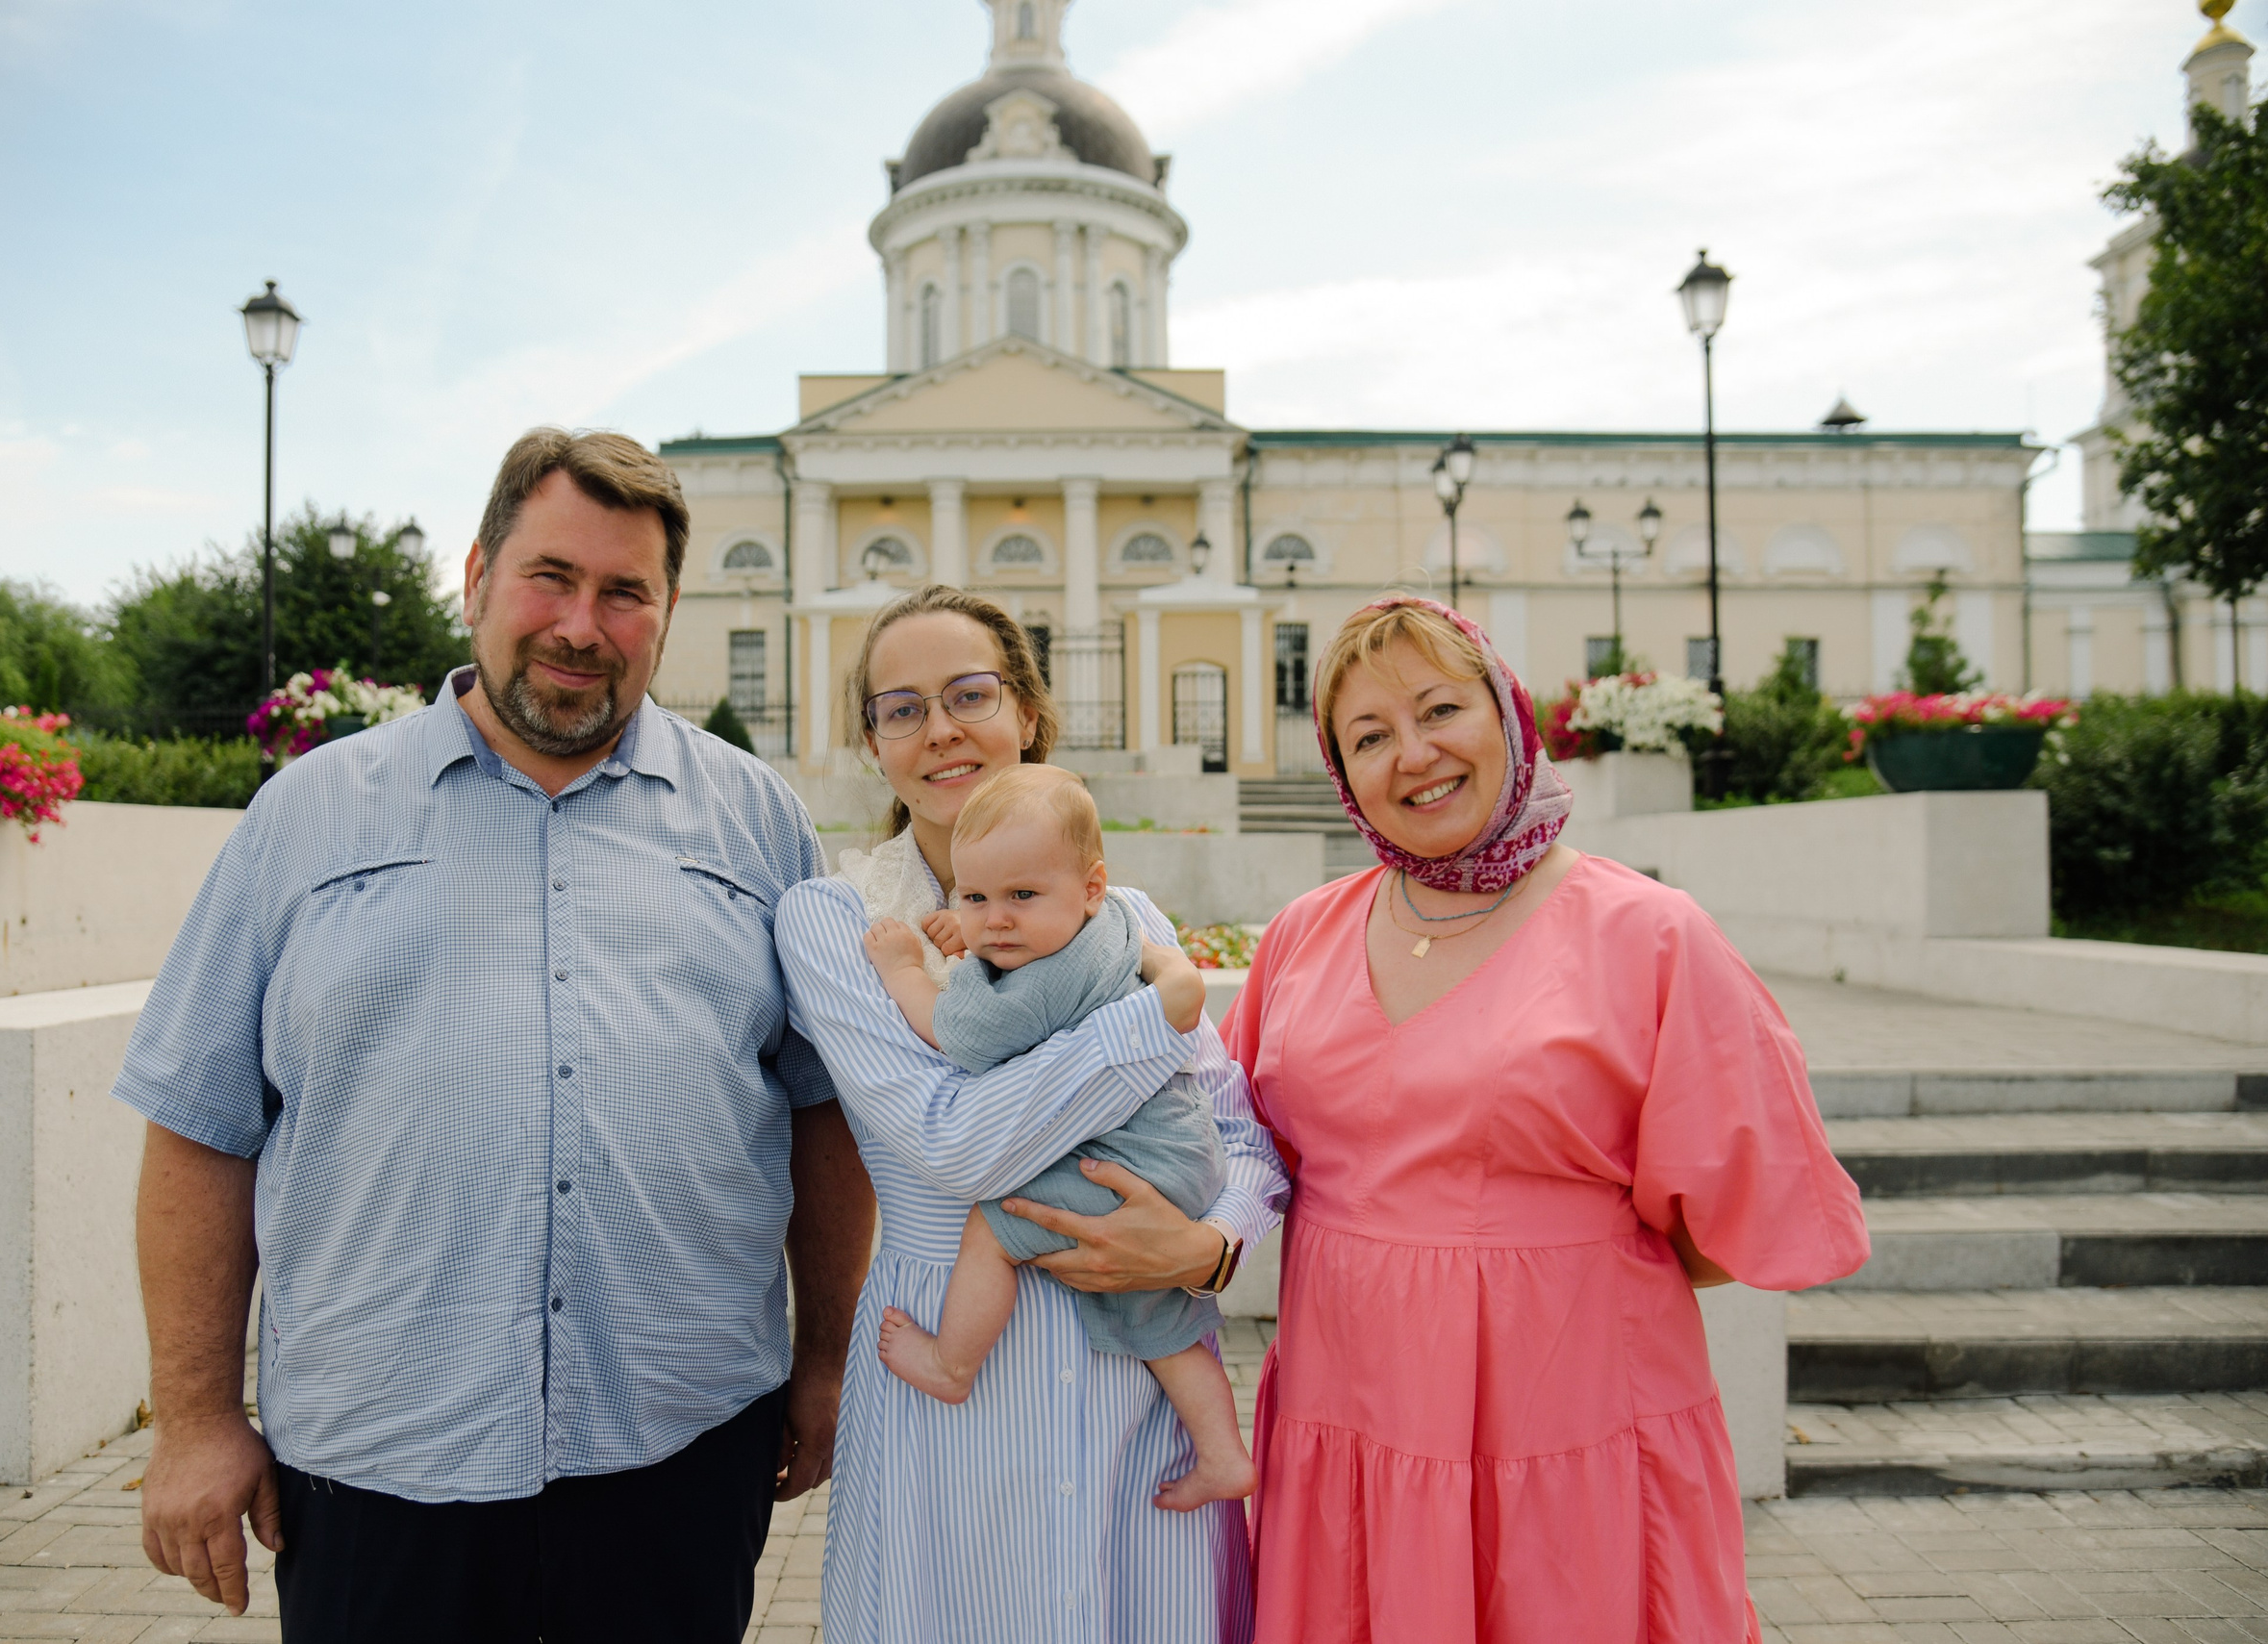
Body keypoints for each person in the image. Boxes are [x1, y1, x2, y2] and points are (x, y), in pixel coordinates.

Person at [116, 428, 874, 1643]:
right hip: (378, 1461)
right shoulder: (306, 815)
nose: (582, 623)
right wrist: (196, 1416)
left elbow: (819, 1108)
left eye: (625, 592)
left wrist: (829, 1358)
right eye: (550, 577)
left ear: (665, 614)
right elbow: (201, 1125)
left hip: (678, 1449)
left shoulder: (756, 822)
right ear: (476, 579)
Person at [1225, 594, 1870, 1644]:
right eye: (1370, 735)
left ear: (1509, 713)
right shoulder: (1302, 932)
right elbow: (1253, 1150)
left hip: (1569, 1426)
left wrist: (1533, 1269)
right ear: (1342, 773)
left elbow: (1724, 1217)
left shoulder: (1649, 932)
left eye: (1440, 709)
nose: (1414, 754)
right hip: (1350, 1418)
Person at [772, 585, 1289, 1644]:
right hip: (946, 1370)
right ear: (872, 744)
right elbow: (950, 1141)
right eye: (901, 707)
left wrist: (1207, 1245)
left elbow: (1238, 1133)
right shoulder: (836, 923)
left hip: (1135, 1374)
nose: (942, 729)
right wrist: (1150, 1020)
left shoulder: (1127, 913)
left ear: (1028, 714)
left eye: (970, 694)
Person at [863, 762, 1256, 1513]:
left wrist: (906, 966)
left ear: (1092, 887)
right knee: (1161, 1322)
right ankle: (1223, 1451)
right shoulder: (1112, 930)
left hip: (1129, 1165)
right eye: (974, 897)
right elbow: (1007, 951)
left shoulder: (1041, 980)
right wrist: (973, 937)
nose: (996, 920)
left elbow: (958, 1032)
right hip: (1176, 1157)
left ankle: (952, 1362)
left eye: (1020, 896)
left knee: (993, 1226)